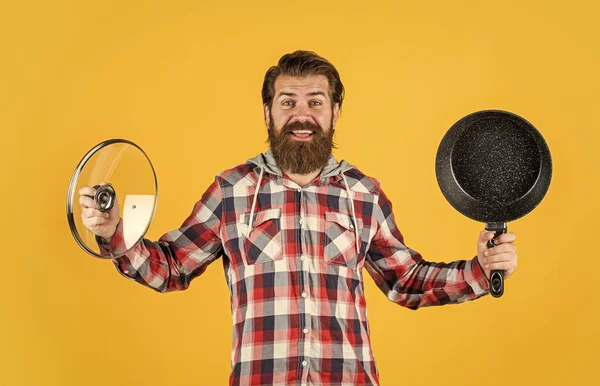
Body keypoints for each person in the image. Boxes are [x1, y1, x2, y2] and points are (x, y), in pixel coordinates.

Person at [78, 50, 518, 386]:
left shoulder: (363, 194)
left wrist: (480, 271)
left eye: (315, 101)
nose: (301, 114)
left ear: (334, 113)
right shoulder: (231, 191)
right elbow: (171, 267)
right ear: (268, 112)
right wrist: (116, 232)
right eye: (287, 101)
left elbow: (407, 282)